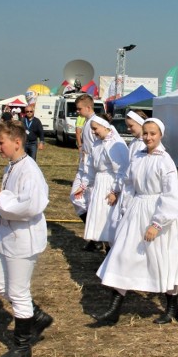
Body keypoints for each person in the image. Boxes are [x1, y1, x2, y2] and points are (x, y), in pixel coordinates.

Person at [92, 118, 178, 326]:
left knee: (162, 258)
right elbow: (128, 185)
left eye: (152, 133)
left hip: (157, 213)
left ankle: (172, 307)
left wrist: (157, 223)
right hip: (136, 211)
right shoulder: (137, 156)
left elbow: (171, 195)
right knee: (122, 254)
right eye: (145, 133)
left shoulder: (165, 161)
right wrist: (125, 209)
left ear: (160, 135)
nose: (148, 137)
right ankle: (113, 309)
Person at [0, 120, 52, 357]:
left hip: (22, 240)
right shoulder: (12, 166)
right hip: (8, 236)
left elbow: (30, 206)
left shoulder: (30, 172)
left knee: (18, 291)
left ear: (17, 142)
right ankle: (35, 316)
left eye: (0, 142)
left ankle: (22, 345)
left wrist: (1, 196)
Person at [74, 115, 129, 252]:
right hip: (99, 185)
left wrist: (115, 191)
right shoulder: (97, 144)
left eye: (95, 128)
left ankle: (112, 255)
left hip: (109, 185)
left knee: (109, 221)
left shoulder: (115, 144)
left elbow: (121, 170)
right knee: (100, 221)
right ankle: (106, 255)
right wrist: (83, 186)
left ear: (105, 127)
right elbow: (91, 168)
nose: (93, 132)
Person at [70, 94, 99, 251]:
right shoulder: (87, 123)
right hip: (84, 168)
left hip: (89, 171)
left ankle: (96, 236)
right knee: (78, 199)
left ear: (88, 107)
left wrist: (89, 175)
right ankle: (94, 234)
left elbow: (95, 151)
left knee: (86, 201)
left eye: (80, 108)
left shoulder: (93, 124)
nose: (78, 112)